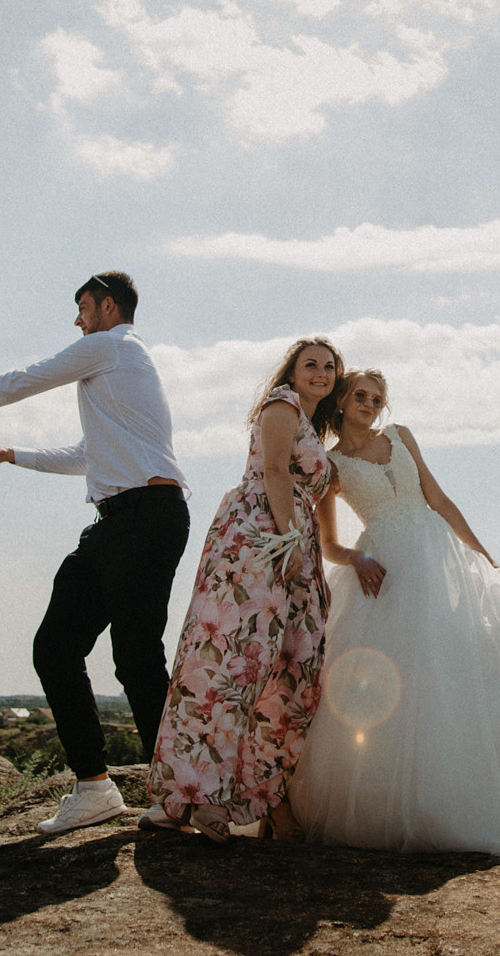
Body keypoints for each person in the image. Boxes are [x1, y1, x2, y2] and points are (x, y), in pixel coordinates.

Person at [0, 271, 188, 837]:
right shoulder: (122, 368)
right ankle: (95, 789)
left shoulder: (109, 346)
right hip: (121, 520)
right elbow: (88, 454)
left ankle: (178, 793)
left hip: (146, 518)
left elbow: (25, 379)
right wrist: (10, 455)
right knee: (57, 647)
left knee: (135, 656)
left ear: (108, 306)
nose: (77, 319)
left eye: (82, 307)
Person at [291, 370, 500, 864]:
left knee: (462, 664)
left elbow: (439, 499)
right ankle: (400, 802)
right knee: (402, 679)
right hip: (383, 568)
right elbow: (328, 544)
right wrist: (357, 560)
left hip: (437, 554)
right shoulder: (331, 464)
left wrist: (485, 557)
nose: (370, 403)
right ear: (342, 402)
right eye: (360, 396)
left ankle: (462, 796)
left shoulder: (402, 436)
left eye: (377, 397)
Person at [148, 338, 340, 842]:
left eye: (328, 366)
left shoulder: (309, 420)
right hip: (261, 540)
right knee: (227, 661)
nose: (320, 372)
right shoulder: (283, 404)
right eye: (310, 365)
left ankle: (256, 799)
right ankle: (194, 796)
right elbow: (274, 471)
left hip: (291, 539)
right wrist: (286, 540)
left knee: (284, 667)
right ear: (292, 372)